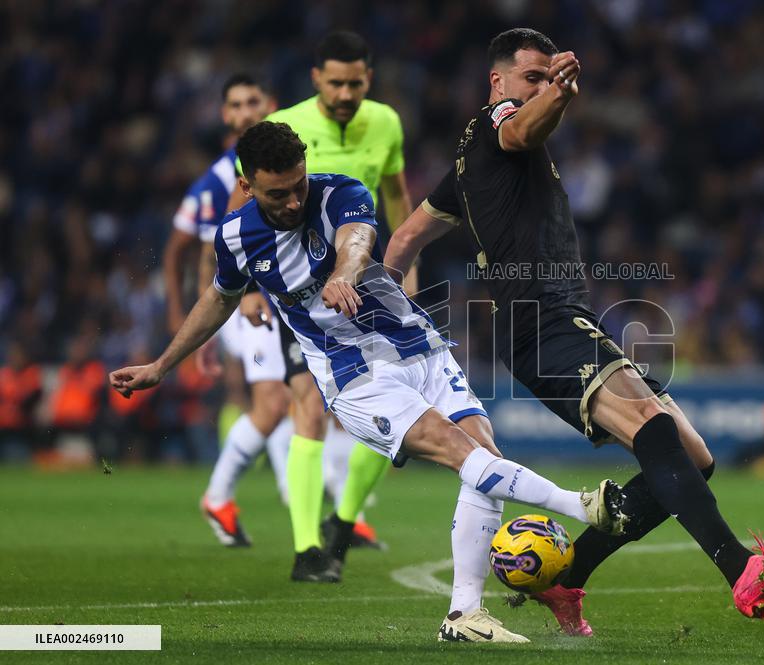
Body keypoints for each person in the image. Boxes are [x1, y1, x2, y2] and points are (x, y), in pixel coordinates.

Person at [110, 121, 627, 643]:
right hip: (353, 376)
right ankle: (580, 504)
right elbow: (220, 298)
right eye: (276, 193)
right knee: (463, 453)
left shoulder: (340, 192)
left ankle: (464, 614)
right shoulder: (236, 237)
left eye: (297, 185)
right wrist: (161, 365)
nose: (292, 201)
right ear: (246, 186)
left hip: (416, 346)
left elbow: (356, 241)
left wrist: (344, 272)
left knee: (483, 454)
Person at [384, 28, 764, 634]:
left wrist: (386, 306)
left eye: (545, 77)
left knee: (693, 456)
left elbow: (405, 238)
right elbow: (523, 128)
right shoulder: (497, 127)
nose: (536, 88)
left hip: (561, 317)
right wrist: (559, 93)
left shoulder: (466, 164)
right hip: (542, 320)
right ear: (498, 82)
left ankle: (569, 575)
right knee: (652, 428)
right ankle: (742, 569)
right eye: (528, 78)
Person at [220, 30, 415, 567]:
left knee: (400, 405)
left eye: (356, 83)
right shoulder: (291, 128)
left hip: (370, 286)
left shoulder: (387, 122)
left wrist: (408, 263)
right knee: (306, 403)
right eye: (336, 83)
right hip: (300, 293)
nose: (347, 93)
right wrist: (250, 287)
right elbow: (254, 204)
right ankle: (307, 548)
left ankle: (344, 519)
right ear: (316, 80)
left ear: (368, 79)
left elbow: (396, 196)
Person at [162, 74, 297, 549]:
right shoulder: (220, 179)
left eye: (252, 102)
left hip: (267, 297)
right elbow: (201, 249)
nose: (244, 112)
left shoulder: (275, 161)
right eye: (236, 105)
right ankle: (221, 496)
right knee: (276, 403)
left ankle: (293, 493)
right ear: (225, 114)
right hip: (244, 303)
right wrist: (195, 319)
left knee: (294, 402)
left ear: (271, 104)